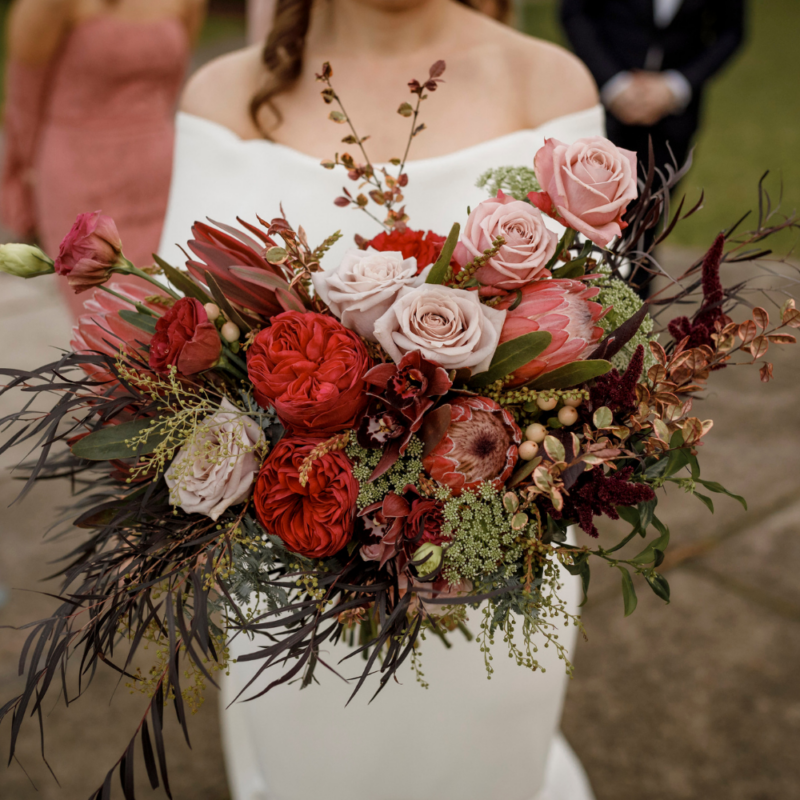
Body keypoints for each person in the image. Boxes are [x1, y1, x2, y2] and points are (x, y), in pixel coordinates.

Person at [159, 1, 602, 798]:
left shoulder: (545, 82)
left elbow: (596, 336)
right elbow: (172, 343)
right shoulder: (222, 95)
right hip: (285, 571)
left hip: (490, 573)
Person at [1, 0, 207, 317]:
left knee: (180, 316)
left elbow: (172, 87)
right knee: (111, 328)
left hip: (163, 178)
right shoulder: (48, 6)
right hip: (81, 183)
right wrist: (25, 180)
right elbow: (24, 103)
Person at [560, 0, 745, 179]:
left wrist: (675, 87)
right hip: (600, 103)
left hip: (675, 116)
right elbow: (575, 12)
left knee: (655, 204)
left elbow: (731, 30)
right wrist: (614, 84)